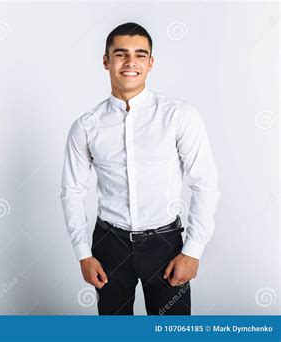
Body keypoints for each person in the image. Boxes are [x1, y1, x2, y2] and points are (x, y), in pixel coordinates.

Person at [60, 22, 220, 315]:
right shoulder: (86, 125)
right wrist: (83, 253)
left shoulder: (179, 116)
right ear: (106, 61)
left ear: (150, 63)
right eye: (120, 54)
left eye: (140, 55)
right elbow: (72, 191)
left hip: (166, 245)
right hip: (109, 245)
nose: (130, 62)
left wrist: (192, 251)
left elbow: (205, 184)